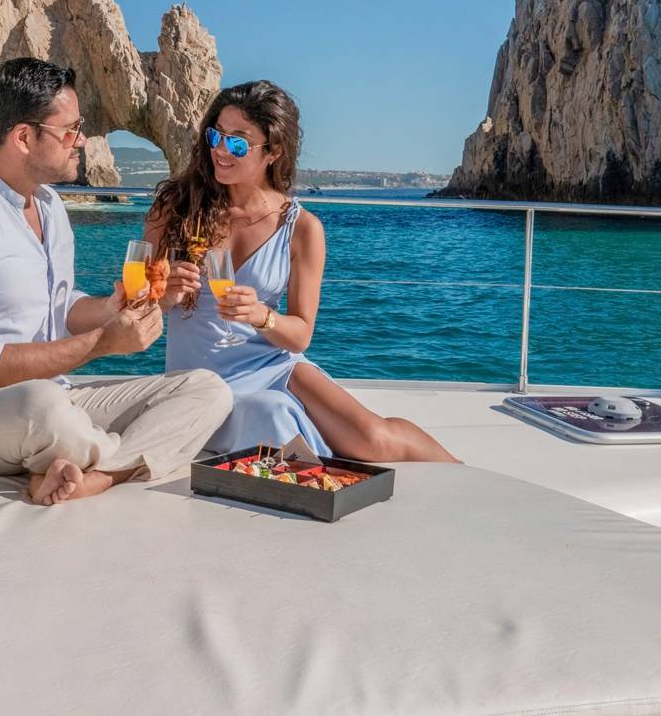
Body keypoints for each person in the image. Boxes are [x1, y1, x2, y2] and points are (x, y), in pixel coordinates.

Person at [0, 57, 233, 505]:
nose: (81, 141)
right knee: (43, 409)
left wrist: (117, 306)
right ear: (24, 137)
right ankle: (113, 456)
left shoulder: (50, 207)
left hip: (57, 398)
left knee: (207, 390)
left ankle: (87, 474)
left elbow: (60, 307)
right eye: (70, 130)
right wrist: (103, 342)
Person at [146, 79, 458, 464]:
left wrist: (262, 316)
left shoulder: (302, 229)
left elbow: (299, 336)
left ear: (273, 151)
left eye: (238, 142)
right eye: (216, 135)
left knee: (375, 439)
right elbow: (138, 308)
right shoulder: (174, 209)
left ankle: (469, 484)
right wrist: (164, 297)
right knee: (273, 416)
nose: (221, 151)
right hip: (201, 382)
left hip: (274, 365)